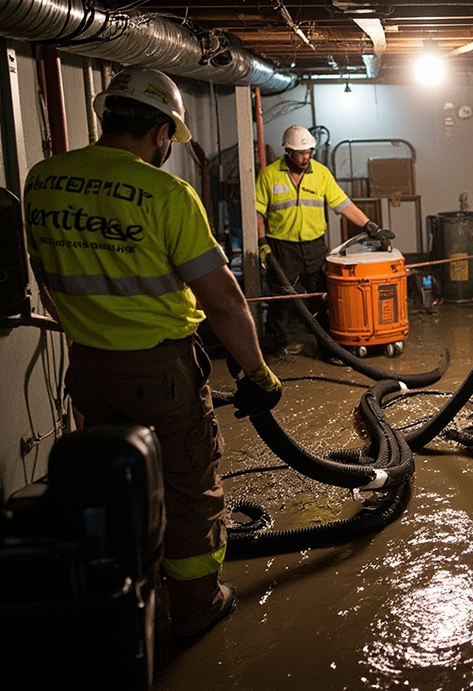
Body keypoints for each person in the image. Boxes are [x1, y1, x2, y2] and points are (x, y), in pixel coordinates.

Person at [23, 67, 283, 640]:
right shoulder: (165, 192)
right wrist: (258, 373)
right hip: (159, 369)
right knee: (188, 485)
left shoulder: (44, 178)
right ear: (162, 130)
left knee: (113, 480)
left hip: (87, 365)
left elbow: (47, 276)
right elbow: (223, 301)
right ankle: (195, 605)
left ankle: (127, 595)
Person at [255, 124, 394, 354]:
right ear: (288, 152)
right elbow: (257, 213)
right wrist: (262, 244)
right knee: (281, 298)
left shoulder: (320, 173)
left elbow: (344, 204)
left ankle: (327, 346)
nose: (305, 156)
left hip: (314, 246)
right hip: (282, 247)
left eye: (309, 151)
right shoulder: (269, 175)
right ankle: (276, 344)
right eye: (301, 153)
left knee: (320, 297)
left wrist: (370, 225)